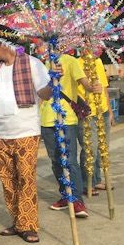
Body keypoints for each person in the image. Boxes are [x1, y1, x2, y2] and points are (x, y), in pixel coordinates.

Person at [0, 33, 52, 244]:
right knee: (7, 180)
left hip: (25, 131)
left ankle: (29, 225)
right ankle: (18, 221)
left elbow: (45, 93)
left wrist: (54, 82)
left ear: (3, 44)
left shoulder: (33, 63)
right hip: (0, 132)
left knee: (26, 178)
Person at [39, 47, 102, 218]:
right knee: (56, 161)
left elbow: (85, 85)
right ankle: (65, 195)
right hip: (46, 119)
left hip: (66, 119)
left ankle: (76, 199)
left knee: (70, 161)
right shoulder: (41, 63)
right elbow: (41, 94)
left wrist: (94, 87)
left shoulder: (71, 61)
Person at [77, 53, 113, 193]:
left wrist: (109, 111)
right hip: (87, 112)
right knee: (89, 147)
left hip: (102, 110)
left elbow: (104, 88)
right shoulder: (76, 63)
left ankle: (96, 180)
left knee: (102, 147)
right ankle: (87, 183)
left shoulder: (97, 61)